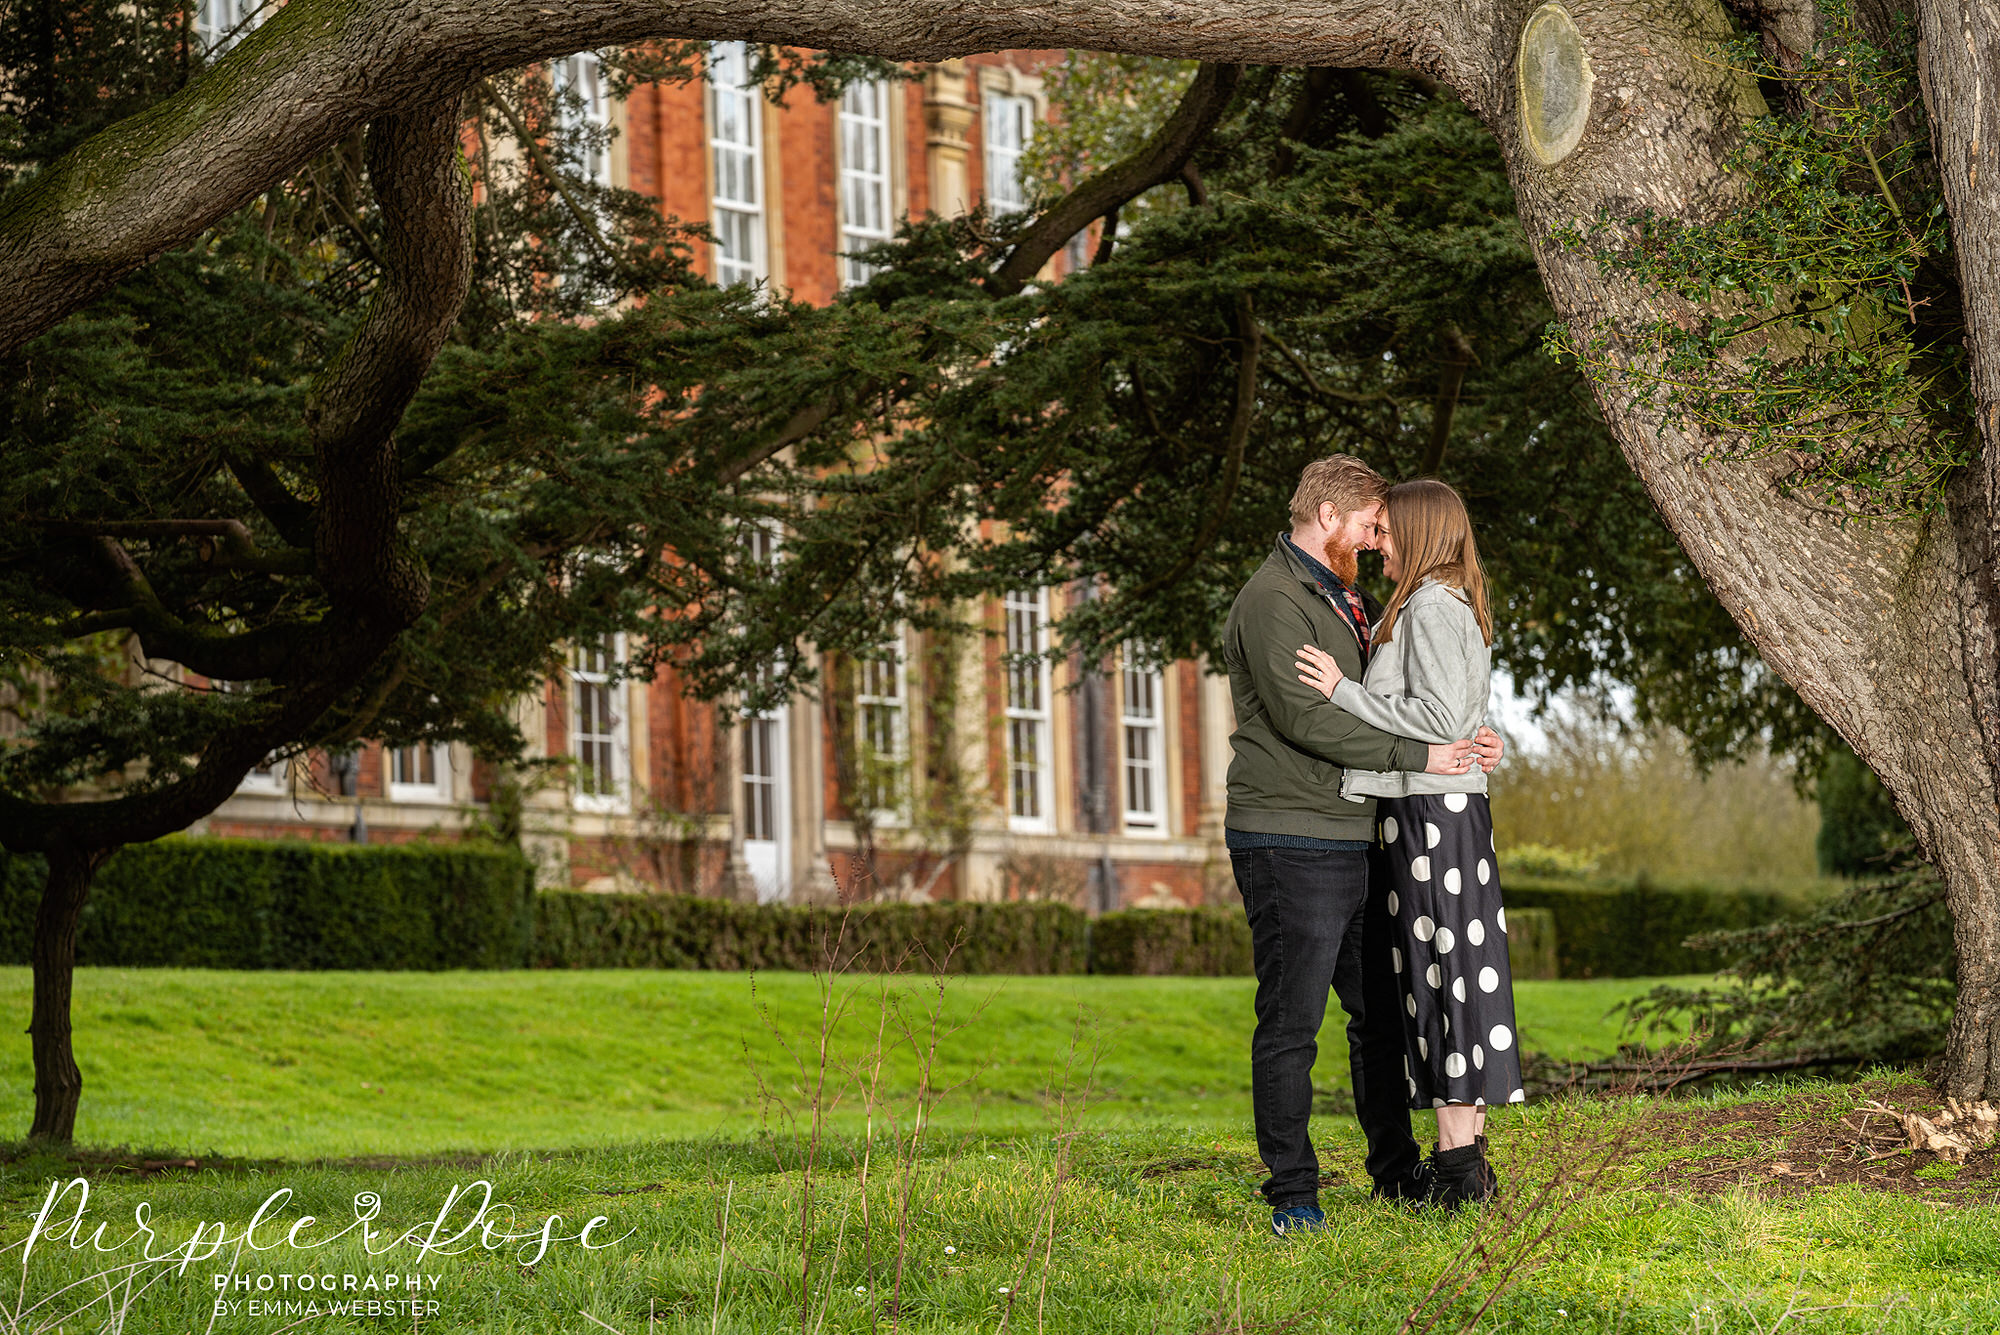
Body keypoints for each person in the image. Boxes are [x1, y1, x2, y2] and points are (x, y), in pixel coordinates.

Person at [1222, 455, 1502, 1236]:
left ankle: (1396, 1171)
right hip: (1289, 834)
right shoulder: (1275, 599)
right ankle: (1294, 1192)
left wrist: (1474, 736)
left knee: (1379, 1017)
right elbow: (1305, 721)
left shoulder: (1348, 598)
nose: (1380, 538)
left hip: (1358, 832)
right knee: (1292, 1020)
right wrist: (1425, 757)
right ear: (1330, 516)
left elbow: (1406, 700)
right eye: (1372, 524)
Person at [1294, 477, 1522, 1209]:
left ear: (1420, 533)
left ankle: (1457, 1176)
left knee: (1445, 981)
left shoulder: (1428, 604)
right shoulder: (1454, 602)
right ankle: (1469, 1168)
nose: (1379, 542)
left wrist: (1340, 691)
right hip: (1444, 812)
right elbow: (1464, 717)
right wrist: (1482, 742)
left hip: (1429, 817)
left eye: (1388, 531)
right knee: (1458, 977)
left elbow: (1437, 715)